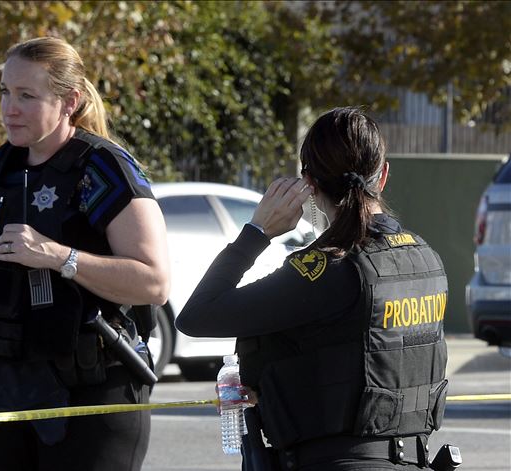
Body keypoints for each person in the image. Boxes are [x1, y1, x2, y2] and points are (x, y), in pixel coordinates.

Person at [0, 37, 170, 470]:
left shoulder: (102, 168)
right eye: (5, 92)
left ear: (69, 101)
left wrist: (59, 256)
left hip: (90, 390)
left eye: (27, 95)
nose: (10, 108)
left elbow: (153, 282)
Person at [176, 107, 449, 470]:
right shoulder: (426, 260)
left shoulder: (328, 269)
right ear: (382, 175)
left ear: (310, 184)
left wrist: (257, 233)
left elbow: (197, 315)